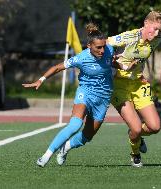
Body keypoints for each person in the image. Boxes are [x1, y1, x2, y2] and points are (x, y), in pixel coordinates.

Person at [57, 11, 161, 167]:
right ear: (145, 23)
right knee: (135, 128)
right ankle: (135, 153)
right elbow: (104, 43)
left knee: (155, 127)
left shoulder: (158, 36)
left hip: (138, 84)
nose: (155, 34)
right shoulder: (130, 37)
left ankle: (137, 136)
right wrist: (110, 59)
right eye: (153, 29)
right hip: (119, 85)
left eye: (158, 30)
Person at [22, 23, 115, 167]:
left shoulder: (109, 49)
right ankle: (46, 156)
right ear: (89, 46)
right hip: (86, 92)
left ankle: (66, 148)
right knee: (75, 125)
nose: (102, 50)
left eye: (104, 46)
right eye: (98, 47)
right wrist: (40, 80)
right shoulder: (81, 58)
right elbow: (58, 67)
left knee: (87, 136)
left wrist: (128, 66)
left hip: (103, 97)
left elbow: (114, 61)